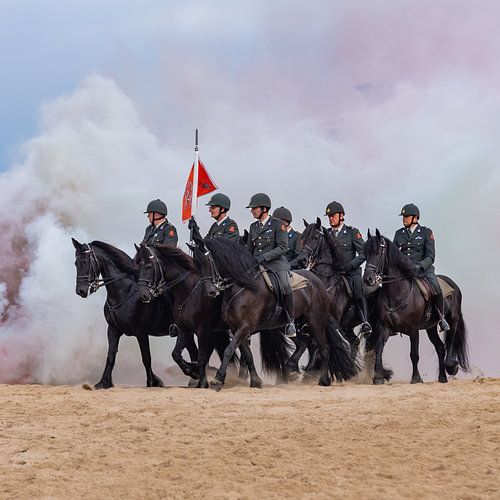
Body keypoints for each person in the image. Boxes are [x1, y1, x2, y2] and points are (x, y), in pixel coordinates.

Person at [246, 193, 296, 337]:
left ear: (264, 209)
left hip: (276, 264)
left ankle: (290, 321)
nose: (252, 211)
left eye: (254, 208)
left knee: (285, 286)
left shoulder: (277, 224)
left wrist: (264, 257)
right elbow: (250, 249)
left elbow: (282, 247)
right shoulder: (253, 226)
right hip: (256, 264)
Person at [394, 203, 450, 331]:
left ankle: (441, 318)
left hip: (423, 271)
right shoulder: (399, 234)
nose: (404, 219)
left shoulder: (425, 232)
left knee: (435, 286)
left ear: (415, 217)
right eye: (403, 216)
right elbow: (394, 255)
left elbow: (430, 257)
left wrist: (419, 266)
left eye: (406, 216)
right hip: (404, 272)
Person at [325, 200, 372, 335]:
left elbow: (364, 253)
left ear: (341, 216)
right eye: (329, 217)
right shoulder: (326, 234)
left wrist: (351, 265)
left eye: (333, 216)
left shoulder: (352, 232)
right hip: (333, 273)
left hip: (351, 273)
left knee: (357, 291)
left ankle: (365, 321)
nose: (330, 219)